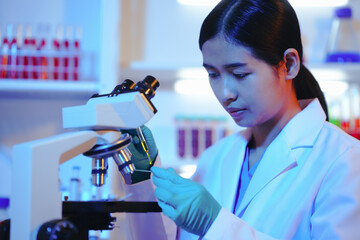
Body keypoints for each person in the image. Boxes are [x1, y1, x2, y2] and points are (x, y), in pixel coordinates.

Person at [149, 0, 360, 239]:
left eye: (240, 74)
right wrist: (141, 180)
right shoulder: (216, 157)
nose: (225, 93)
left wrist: (216, 226)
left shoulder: (344, 160)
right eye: (213, 74)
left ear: (288, 65)